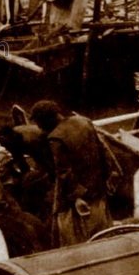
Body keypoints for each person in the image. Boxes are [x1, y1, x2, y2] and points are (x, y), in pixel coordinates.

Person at [29, 100, 114, 247]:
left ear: (46, 120)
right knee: (102, 225)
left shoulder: (56, 138)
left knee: (77, 233)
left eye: (38, 122)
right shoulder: (83, 121)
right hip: (98, 186)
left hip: (82, 193)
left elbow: (65, 173)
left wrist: (77, 198)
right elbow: (103, 150)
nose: (38, 126)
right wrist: (108, 176)